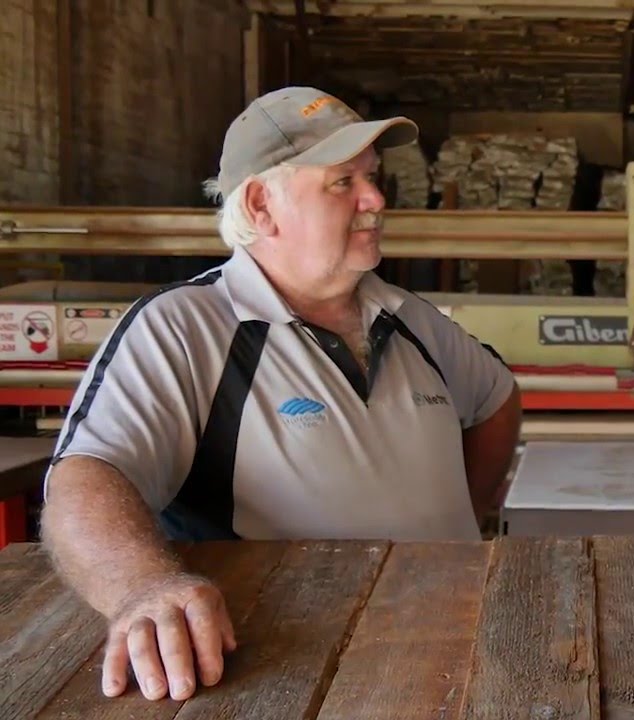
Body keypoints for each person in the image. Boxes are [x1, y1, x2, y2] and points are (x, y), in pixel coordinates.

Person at [40, 87, 523, 701]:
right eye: (342, 183)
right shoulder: (188, 327)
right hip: (291, 672)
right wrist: (141, 587)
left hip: (454, 651)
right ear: (263, 204)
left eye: (371, 179)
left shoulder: (406, 315)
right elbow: (86, 477)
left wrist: (459, 521)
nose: (376, 201)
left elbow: (496, 399)